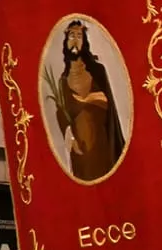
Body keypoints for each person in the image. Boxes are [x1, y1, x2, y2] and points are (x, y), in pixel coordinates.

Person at [48, 19, 126, 181]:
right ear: (66, 42)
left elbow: (106, 103)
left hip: (101, 143)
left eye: (79, 35)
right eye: (71, 36)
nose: (75, 39)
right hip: (80, 151)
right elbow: (63, 113)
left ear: (84, 41)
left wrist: (86, 101)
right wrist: (70, 136)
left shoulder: (98, 71)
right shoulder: (63, 81)